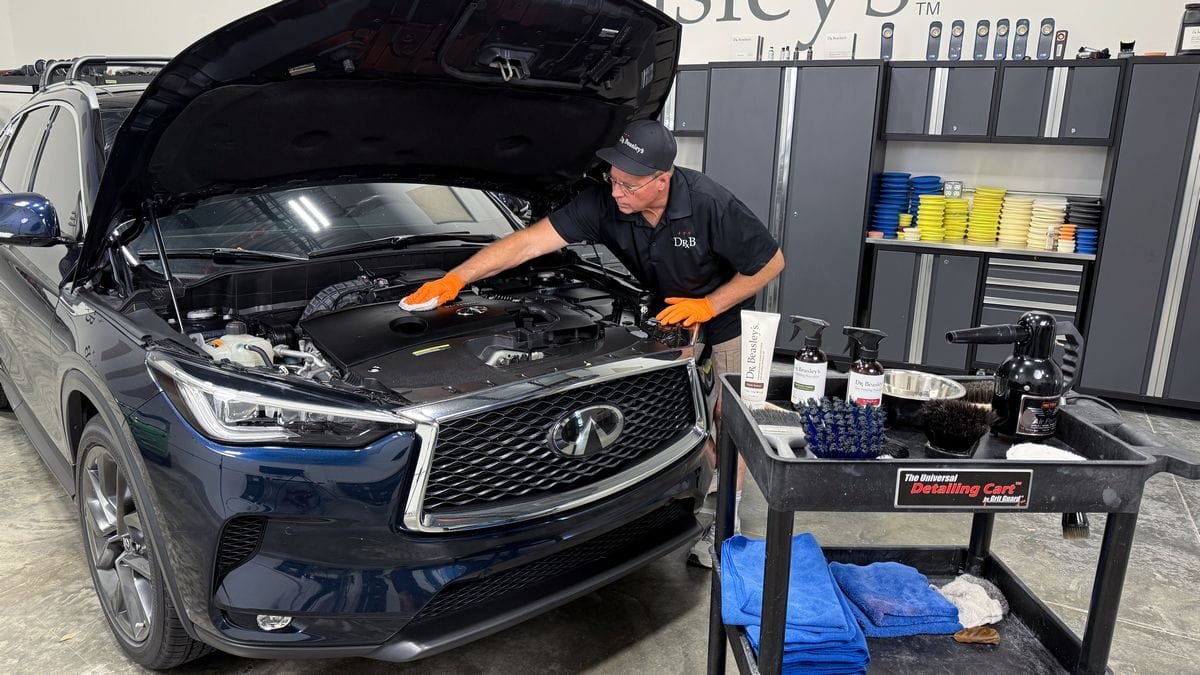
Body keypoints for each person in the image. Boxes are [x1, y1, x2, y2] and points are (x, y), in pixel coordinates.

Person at [402, 119, 784, 568]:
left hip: (724, 314)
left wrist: (708, 305)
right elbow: (528, 242)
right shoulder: (604, 204)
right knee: (683, 405)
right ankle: (686, 485)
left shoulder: (709, 202)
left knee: (729, 415)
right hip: (665, 314)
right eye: (613, 179)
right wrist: (457, 278)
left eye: (630, 185)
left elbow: (769, 263)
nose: (618, 193)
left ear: (663, 179)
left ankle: (727, 524)